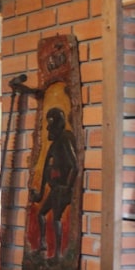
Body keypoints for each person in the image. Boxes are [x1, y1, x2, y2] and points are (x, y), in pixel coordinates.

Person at [29, 107, 77, 258]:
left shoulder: (65, 139)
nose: (48, 128)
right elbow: (45, 171)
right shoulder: (54, 145)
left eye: (50, 123)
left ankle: (58, 253)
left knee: (56, 217)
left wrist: (68, 187)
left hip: (61, 189)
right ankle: (43, 244)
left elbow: (75, 166)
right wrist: (40, 194)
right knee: (41, 214)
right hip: (55, 188)